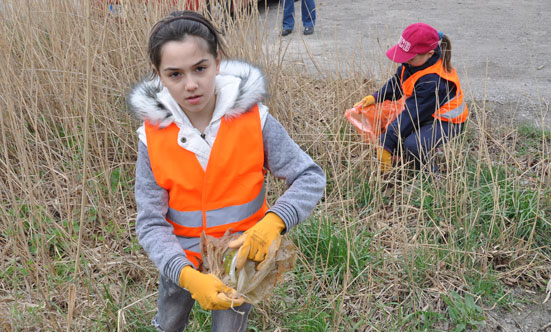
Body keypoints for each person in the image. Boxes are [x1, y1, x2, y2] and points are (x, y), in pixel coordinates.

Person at [127, 10, 326, 332]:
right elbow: (150, 221)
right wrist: (184, 273)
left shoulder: (255, 121)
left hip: (242, 259)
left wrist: (273, 223)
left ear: (217, 62)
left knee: (230, 326)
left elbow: (310, 176)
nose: (191, 85)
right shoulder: (152, 137)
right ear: (158, 75)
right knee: (170, 321)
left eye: (200, 69)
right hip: (180, 261)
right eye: (175, 74)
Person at [356, 23, 468, 172]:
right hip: (427, 114)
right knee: (398, 135)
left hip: (447, 123)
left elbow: (411, 115)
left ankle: (432, 177)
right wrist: (376, 96)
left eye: (410, 57)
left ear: (429, 53)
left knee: (413, 145)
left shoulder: (433, 82)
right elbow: (397, 82)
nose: (405, 60)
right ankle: (419, 152)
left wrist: (385, 143)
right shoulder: (412, 64)